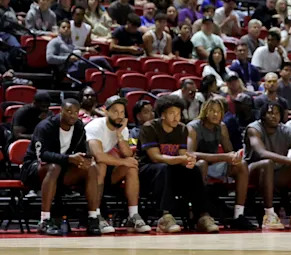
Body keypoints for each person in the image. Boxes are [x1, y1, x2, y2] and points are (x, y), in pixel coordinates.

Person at [138, 95, 219, 233]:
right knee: (164, 168)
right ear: (163, 115)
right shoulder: (149, 127)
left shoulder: (181, 129)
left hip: (170, 168)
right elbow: (155, 157)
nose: (176, 117)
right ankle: (165, 217)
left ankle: (202, 216)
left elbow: (182, 154)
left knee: (194, 170)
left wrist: (189, 160)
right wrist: (180, 159)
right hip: (148, 170)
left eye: (178, 114)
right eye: (172, 114)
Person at [20, 97, 100, 236]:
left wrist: (84, 158)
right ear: (60, 111)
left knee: (92, 167)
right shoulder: (45, 126)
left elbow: (80, 149)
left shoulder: (79, 126)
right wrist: (69, 158)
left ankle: (93, 218)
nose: (72, 115)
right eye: (68, 111)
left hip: (62, 168)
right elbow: (42, 156)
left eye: (75, 112)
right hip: (34, 168)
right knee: (54, 167)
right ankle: (44, 221)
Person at [187, 97, 257, 230]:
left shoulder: (222, 127)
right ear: (205, 112)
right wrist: (223, 156)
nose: (215, 114)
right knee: (201, 164)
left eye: (218, 112)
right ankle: (201, 214)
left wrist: (235, 156)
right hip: (195, 167)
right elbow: (191, 154)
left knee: (241, 164)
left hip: (215, 165)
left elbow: (229, 152)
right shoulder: (193, 127)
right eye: (212, 111)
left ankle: (238, 215)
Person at [84, 96, 150, 234]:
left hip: (106, 172)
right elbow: (99, 156)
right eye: (115, 111)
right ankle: (96, 216)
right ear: (105, 111)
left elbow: (127, 154)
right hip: (85, 171)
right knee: (100, 164)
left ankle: (133, 215)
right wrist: (123, 161)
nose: (120, 115)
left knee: (131, 166)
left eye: (122, 112)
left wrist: (120, 135)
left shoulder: (122, 129)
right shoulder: (95, 126)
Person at [244, 100, 291, 230]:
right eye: (270, 113)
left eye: (277, 113)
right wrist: (290, 161)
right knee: (267, 163)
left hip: (276, 173)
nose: (274, 116)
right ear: (263, 115)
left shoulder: (286, 131)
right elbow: (262, 153)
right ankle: (269, 214)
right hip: (253, 172)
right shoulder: (254, 129)